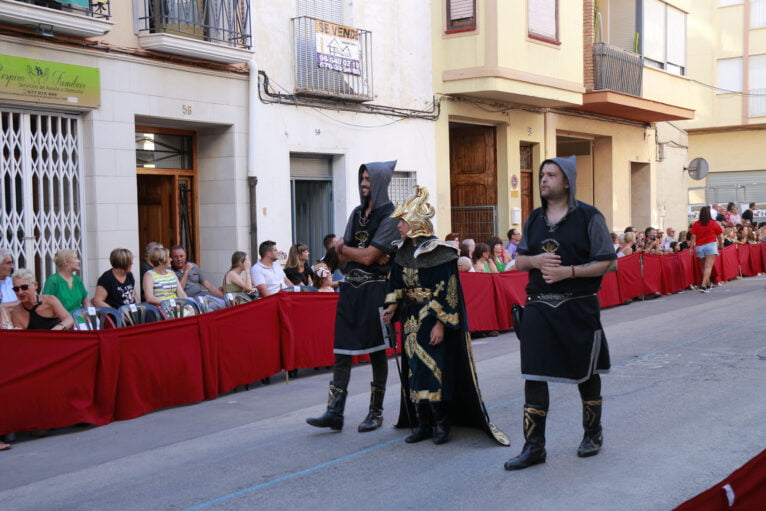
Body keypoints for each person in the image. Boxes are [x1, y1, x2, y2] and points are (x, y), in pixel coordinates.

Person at [504, 155, 617, 471]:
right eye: (541, 174)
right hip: (539, 304)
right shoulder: (535, 219)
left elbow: (610, 262)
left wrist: (569, 272)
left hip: (578, 303)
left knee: (586, 372)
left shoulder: (589, 217)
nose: (543, 180)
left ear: (567, 181)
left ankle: (592, 433)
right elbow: (521, 260)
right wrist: (537, 261)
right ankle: (534, 447)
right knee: (534, 373)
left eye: (551, 175)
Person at [380, 186, 509, 446]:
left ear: (416, 223)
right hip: (410, 319)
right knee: (414, 370)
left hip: (432, 319)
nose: (399, 227)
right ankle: (422, 423)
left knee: (433, 369)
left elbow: (449, 293)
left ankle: (442, 423)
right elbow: (396, 283)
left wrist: (440, 324)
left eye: (403, 222)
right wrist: (392, 305)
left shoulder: (441, 254)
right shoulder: (402, 252)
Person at [306, 161, 400, 433]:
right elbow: (339, 257)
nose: (363, 184)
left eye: (368, 179)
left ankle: (376, 412)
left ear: (380, 182)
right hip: (350, 289)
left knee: (377, 352)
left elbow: (370, 256)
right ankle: (334, 411)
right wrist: (346, 253)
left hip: (377, 290)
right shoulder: (356, 213)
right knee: (342, 351)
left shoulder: (391, 217)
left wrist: (349, 250)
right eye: (362, 178)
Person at [42, 249, 90, 314]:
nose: (79, 261)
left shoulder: (77, 280)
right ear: (66, 262)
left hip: (79, 320)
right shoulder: (52, 281)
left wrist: (87, 316)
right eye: (75, 258)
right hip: (61, 321)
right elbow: (46, 304)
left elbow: (86, 301)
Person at [690, 206, 723, 293]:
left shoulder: (696, 224)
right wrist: (721, 244)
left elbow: (693, 236)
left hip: (699, 246)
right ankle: (704, 286)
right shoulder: (714, 223)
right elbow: (719, 235)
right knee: (708, 266)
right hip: (710, 245)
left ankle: (707, 284)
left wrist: (691, 248)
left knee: (703, 267)